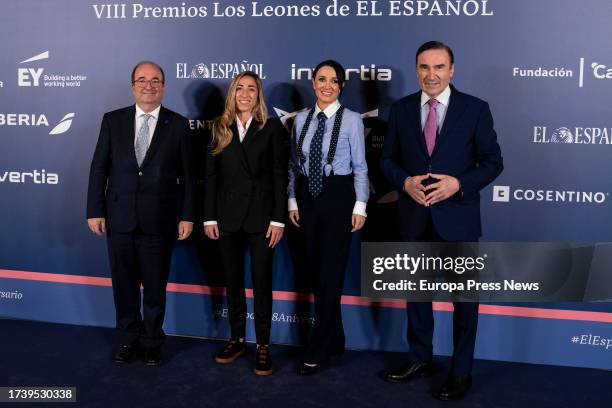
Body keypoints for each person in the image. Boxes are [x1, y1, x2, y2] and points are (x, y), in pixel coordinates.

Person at [380, 41, 503, 400]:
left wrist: (459, 184)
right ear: (416, 69)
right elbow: (388, 160)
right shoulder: (401, 110)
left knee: (464, 302)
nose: (430, 74)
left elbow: (493, 162)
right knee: (416, 297)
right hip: (414, 218)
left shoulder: (476, 109)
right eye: (423, 67)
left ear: (452, 70)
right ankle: (419, 358)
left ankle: (461, 372)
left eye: (438, 67)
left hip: (458, 220)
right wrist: (404, 181)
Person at [86, 61, 196, 366]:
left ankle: (152, 342)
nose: (149, 85)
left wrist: (187, 216)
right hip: (119, 218)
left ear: (163, 86)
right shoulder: (113, 120)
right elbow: (99, 168)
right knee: (124, 285)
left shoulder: (177, 125)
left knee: (155, 286)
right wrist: (94, 210)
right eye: (142, 80)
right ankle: (127, 340)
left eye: (155, 80)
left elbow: (188, 176)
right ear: (133, 85)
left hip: (159, 221)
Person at [203, 71, 288, 376]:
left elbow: (280, 175)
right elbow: (210, 177)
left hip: (262, 219)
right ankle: (237, 338)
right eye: (240, 88)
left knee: (261, 283)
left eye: (252, 89)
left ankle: (263, 345)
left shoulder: (272, 128)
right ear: (232, 93)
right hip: (226, 218)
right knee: (233, 282)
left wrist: (279, 219)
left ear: (258, 95)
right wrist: (209, 216)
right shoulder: (218, 127)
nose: (245, 94)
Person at [288, 60, 369, 375]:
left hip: (339, 196)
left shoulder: (352, 121)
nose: (327, 85)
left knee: (330, 273)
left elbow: (361, 166)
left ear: (342, 86)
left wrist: (359, 205)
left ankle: (319, 345)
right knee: (314, 271)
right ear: (313, 82)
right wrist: (293, 200)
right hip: (307, 197)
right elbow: (294, 166)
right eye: (321, 79)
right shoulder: (300, 120)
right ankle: (335, 338)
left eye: (333, 81)